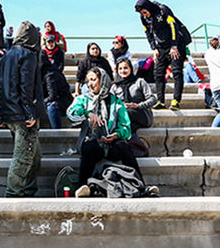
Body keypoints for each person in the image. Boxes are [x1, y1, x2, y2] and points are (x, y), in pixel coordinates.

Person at [66, 67, 154, 196]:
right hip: (94, 143)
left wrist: (116, 135)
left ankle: (141, 186)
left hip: (112, 144)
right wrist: (87, 113)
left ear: (103, 80)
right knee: (89, 148)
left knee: (123, 146)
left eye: (93, 80)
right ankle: (83, 187)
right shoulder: (83, 99)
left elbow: (125, 127)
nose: (90, 84)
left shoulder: (116, 102)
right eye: (88, 81)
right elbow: (71, 113)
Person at [0, 20, 47, 197]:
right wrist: (30, 112)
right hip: (23, 115)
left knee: (34, 156)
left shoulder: (5, 57)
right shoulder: (28, 55)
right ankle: (14, 194)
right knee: (23, 158)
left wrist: (1, 115)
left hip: (11, 113)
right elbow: (27, 86)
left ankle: (28, 190)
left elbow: (0, 88)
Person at [134, 0, 192, 110]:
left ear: (148, 7)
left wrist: (174, 46)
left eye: (145, 12)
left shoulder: (162, 9)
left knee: (176, 72)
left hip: (176, 44)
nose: (144, 15)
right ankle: (160, 101)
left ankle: (176, 101)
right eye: (142, 13)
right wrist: (154, 48)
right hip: (161, 47)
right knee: (158, 74)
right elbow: (148, 33)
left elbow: (174, 26)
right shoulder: (143, 18)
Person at [110, 58, 157, 132]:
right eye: (120, 69)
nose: (123, 71)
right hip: (122, 114)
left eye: (125, 68)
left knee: (126, 113)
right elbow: (111, 102)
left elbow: (153, 99)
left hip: (141, 113)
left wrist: (137, 106)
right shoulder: (115, 86)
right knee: (129, 127)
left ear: (130, 69)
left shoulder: (139, 82)